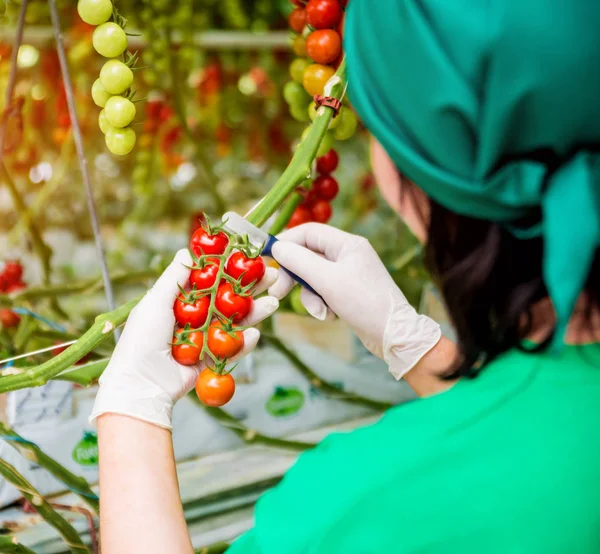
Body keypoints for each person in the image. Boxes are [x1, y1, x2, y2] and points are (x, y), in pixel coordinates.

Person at [92, 0, 600, 552]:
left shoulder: (362, 503)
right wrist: (412, 345)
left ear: (411, 170)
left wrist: (131, 410)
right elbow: (524, 436)